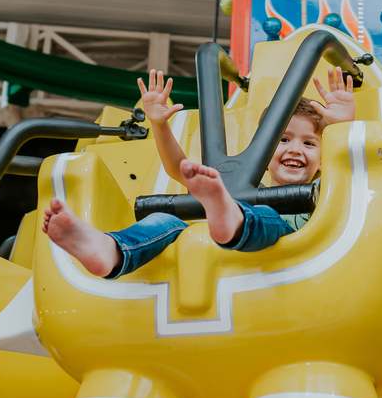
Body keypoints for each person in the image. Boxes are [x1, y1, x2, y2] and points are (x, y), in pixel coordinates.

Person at [44, 67, 355, 276]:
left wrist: (344, 128)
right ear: (263, 147)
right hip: (228, 255)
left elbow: (353, 169)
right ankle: (111, 250)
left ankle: (231, 217)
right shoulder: (244, 181)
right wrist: (159, 124)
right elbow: (180, 171)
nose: (295, 150)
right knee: (164, 220)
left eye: (309, 143)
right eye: (283, 139)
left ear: (324, 154)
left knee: (268, 217)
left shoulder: (328, 186)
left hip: (288, 250)